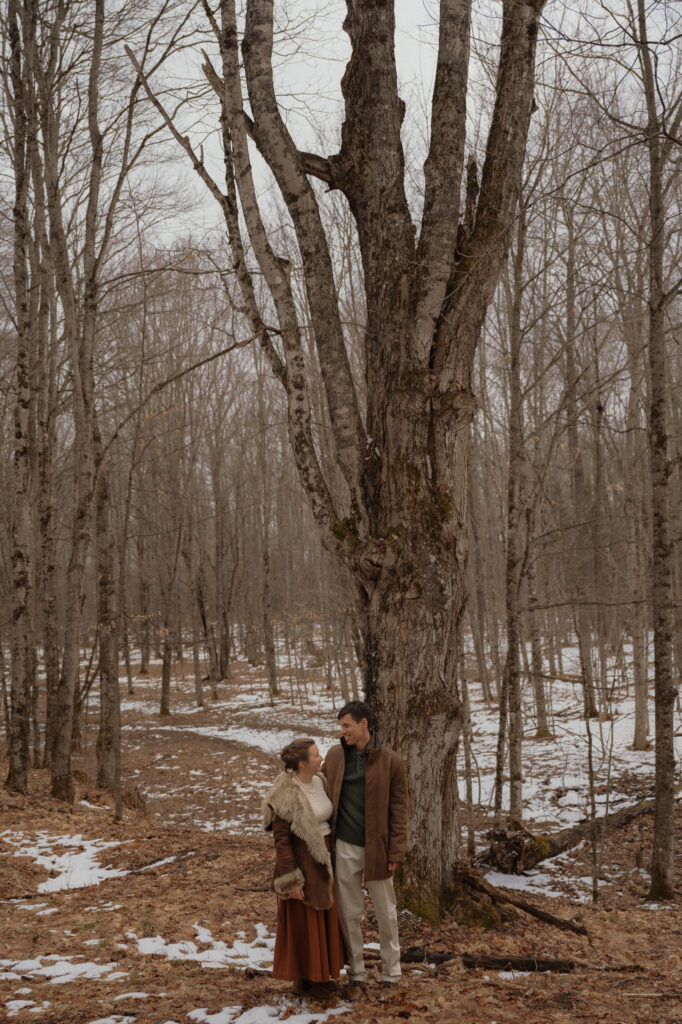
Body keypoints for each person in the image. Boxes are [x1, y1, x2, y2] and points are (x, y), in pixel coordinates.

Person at [324, 700, 408, 1000]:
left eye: (346, 725)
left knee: (386, 914)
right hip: (343, 845)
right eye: (341, 726)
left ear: (364, 724)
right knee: (348, 913)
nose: (342, 731)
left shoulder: (390, 761)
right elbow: (318, 790)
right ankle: (356, 977)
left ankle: (391, 976)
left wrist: (396, 852)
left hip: (379, 849)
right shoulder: (334, 757)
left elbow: (400, 809)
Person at [262, 737, 345, 996]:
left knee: (324, 917)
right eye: (316, 754)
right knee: (305, 921)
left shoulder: (320, 782)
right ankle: (310, 980)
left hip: (325, 858)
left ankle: (321, 975)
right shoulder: (285, 792)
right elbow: (282, 841)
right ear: (302, 763)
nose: (321, 758)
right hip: (301, 862)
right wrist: (291, 879)